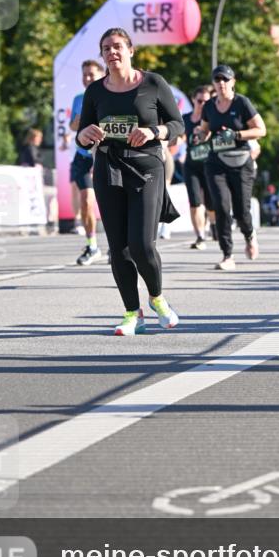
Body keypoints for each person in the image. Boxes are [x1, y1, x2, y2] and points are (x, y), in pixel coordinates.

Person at [76, 28, 184, 333]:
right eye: (106, 48)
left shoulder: (153, 83)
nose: (112, 52)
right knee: (118, 248)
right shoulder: (95, 91)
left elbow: (178, 124)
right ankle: (132, 314)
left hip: (146, 166)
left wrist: (154, 131)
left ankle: (157, 298)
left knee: (141, 245)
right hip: (108, 167)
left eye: (117, 46)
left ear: (131, 50)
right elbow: (82, 134)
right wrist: (84, 135)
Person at [196, 64, 266, 271]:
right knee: (221, 207)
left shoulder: (242, 103)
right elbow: (205, 130)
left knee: (242, 211)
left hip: (241, 162)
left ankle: (249, 235)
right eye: (217, 80)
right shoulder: (209, 106)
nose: (221, 83)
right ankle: (227, 255)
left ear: (233, 82)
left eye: (225, 79)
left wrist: (236, 135)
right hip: (216, 162)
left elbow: (261, 130)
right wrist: (200, 136)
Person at [69, 59, 104, 264]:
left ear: (101, 75)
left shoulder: (109, 96)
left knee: (112, 203)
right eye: (85, 74)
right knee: (86, 201)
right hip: (83, 157)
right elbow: (73, 126)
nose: (88, 78)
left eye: (91, 74)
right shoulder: (78, 99)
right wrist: (80, 121)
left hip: (105, 156)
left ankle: (118, 247)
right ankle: (92, 245)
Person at [182, 84, 216, 249]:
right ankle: (200, 237)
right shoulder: (186, 119)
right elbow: (178, 137)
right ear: (193, 100)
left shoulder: (212, 118)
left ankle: (214, 225)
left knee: (210, 203)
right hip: (191, 166)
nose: (203, 104)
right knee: (195, 202)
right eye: (200, 101)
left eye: (206, 102)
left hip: (209, 165)